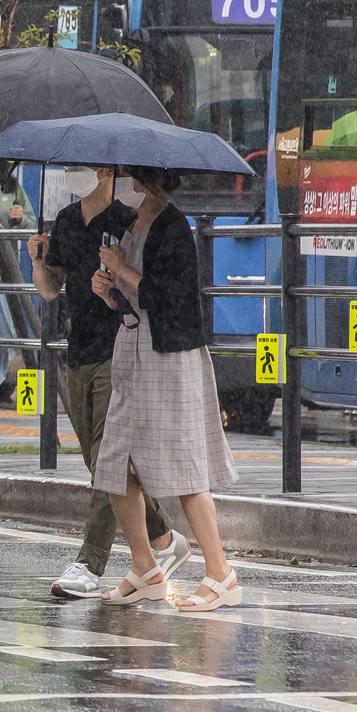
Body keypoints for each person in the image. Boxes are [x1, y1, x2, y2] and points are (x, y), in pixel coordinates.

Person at [27, 165, 189, 599]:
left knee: (106, 459)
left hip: (118, 347)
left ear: (103, 170)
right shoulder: (64, 221)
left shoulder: (124, 220)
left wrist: (116, 275)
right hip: (78, 349)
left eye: (80, 166)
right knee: (98, 459)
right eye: (68, 167)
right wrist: (38, 262)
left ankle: (88, 561)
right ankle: (163, 538)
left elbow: (145, 284)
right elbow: (50, 290)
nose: (72, 174)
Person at [91, 166, 242, 612]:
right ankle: (145, 568)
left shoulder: (174, 227)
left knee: (182, 466)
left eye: (125, 172)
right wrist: (109, 288)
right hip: (133, 348)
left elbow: (170, 297)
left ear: (143, 176)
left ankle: (220, 573)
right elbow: (135, 294)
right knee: (114, 463)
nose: (119, 179)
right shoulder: (129, 222)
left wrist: (122, 269)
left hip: (169, 356)